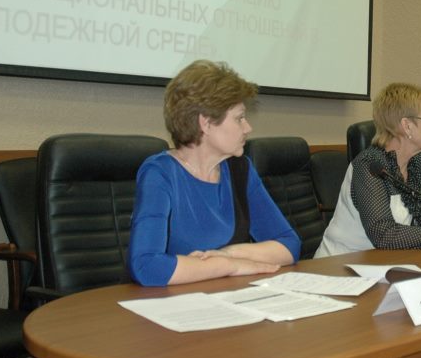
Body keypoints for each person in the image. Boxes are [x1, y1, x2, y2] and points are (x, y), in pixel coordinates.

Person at [127, 60, 301, 286]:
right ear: (206, 123)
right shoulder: (160, 173)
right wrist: (229, 266)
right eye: (239, 118)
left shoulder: (240, 169)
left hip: (225, 298)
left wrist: (230, 253)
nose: (248, 127)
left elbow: (289, 245)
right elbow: (146, 266)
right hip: (169, 303)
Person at [314, 82, 421, 258]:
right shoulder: (370, 165)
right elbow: (384, 234)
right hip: (339, 264)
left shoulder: (418, 163)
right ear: (407, 126)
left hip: (385, 263)